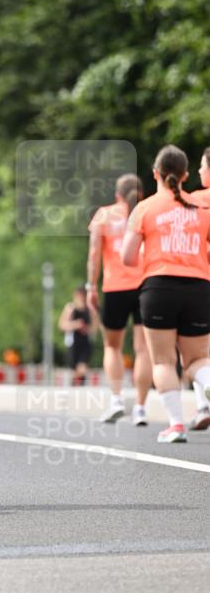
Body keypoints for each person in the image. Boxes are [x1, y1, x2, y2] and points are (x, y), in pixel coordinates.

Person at [121, 144, 210, 443]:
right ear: (185, 175)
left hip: (158, 288)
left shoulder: (144, 208)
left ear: (155, 173)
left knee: (162, 361)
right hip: (199, 287)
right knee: (197, 360)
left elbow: (127, 257)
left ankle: (175, 426)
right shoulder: (201, 209)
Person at [87, 174, 152, 425]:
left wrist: (91, 286)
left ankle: (116, 400)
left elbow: (94, 254)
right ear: (141, 194)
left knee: (112, 347)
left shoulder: (103, 215)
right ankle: (140, 408)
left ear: (117, 195)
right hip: (145, 287)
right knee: (143, 349)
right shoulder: (146, 212)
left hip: (115, 288)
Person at [187, 146, 210, 430]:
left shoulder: (194, 201)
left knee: (198, 350)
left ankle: (203, 405)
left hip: (200, 280)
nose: (199, 172)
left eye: (203, 166)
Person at [58, 286, 98, 386]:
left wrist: (86, 329)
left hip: (85, 343)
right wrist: (75, 325)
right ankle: (75, 384)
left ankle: (79, 383)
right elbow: (61, 325)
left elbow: (94, 328)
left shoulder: (90, 310)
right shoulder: (70, 308)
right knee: (74, 369)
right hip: (73, 343)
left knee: (82, 368)